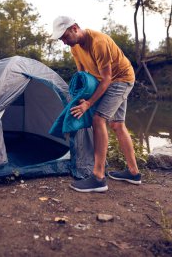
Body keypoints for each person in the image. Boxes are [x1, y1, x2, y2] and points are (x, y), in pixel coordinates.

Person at [51, 16, 141, 193]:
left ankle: (98, 177)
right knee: (117, 124)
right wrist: (83, 96)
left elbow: (107, 78)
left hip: (121, 79)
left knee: (98, 120)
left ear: (75, 28)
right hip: (106, 81)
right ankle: (133, 173)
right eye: (61, 39)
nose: (64, 42)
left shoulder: (98, 42)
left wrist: (89, 104)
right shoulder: (74, 47)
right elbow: (82, 74)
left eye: (65, 37)